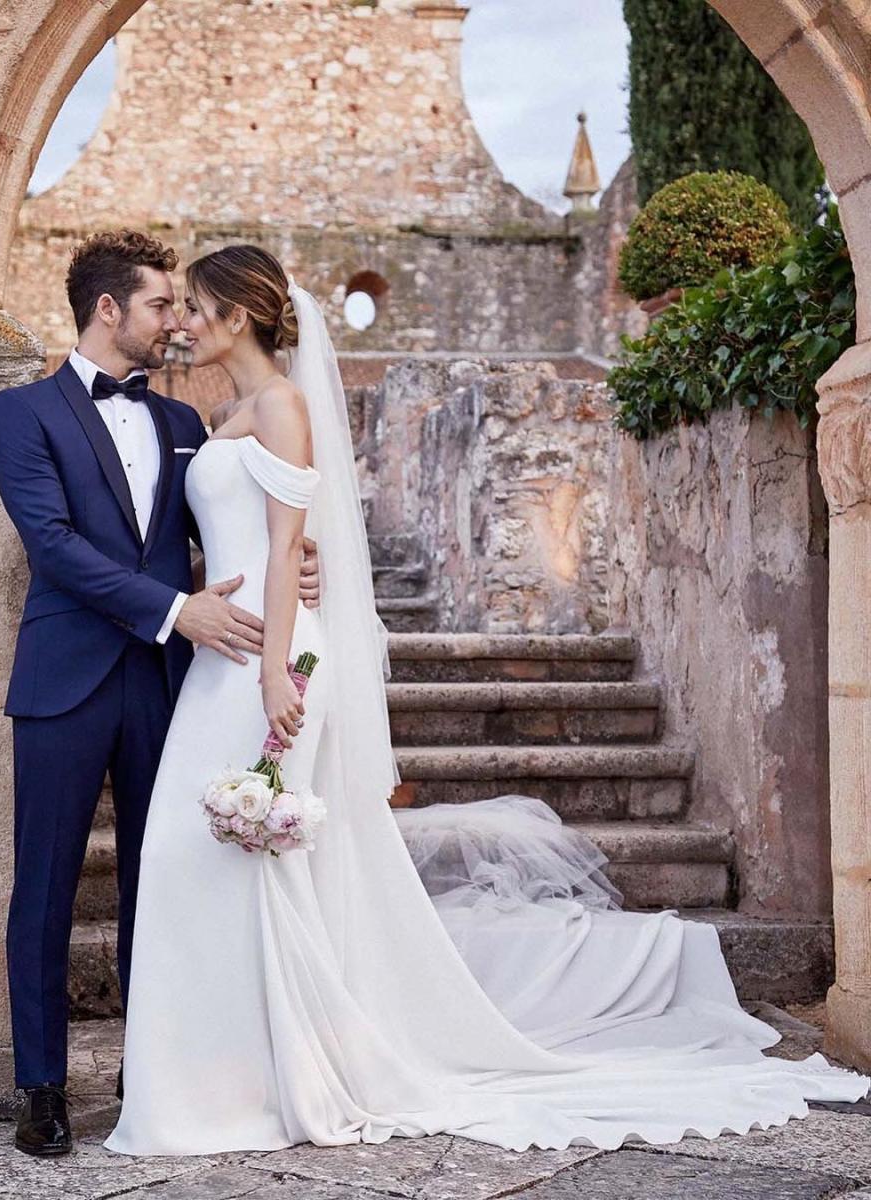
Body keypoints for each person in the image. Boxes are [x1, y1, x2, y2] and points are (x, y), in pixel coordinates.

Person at [106, 244, 869, 1158]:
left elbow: (285, 548)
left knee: (253, 848)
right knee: (200, 850)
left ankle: (274, 1077)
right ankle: (220, 1072)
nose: (181, 320)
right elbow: (242, 539)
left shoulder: (283, 405)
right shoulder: (222, 412)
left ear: (239, 313)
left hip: (268, 658)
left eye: (193, 304)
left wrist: (275, 669)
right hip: (223, 648)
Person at [0, 231, 321, 1156]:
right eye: (162, 305)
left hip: (171, 687)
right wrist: (178, 608)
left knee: (159, 883)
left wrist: (298, 567)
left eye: (185, 307)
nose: (179, 322)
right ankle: (40, 1089)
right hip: (65, 680)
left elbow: (240, 522)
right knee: (45, 888)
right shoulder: (20, 414)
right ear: (108, 311)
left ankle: (153, 1072)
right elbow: (53, 545)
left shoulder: (186, 426)